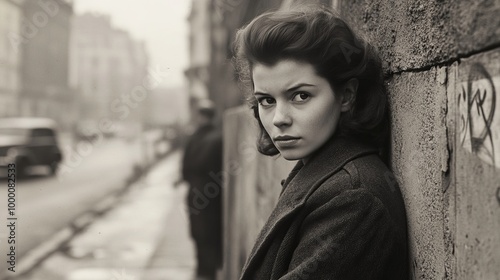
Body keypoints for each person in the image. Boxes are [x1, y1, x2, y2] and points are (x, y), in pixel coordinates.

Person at [233, 5, 409, 280]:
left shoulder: (354, 199)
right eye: (266, 100)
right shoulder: (322, 174)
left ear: (347, 96)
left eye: (300, 96)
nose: (279, 118)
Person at [180, 99, 223, 280]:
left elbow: (186, 166)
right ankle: (207, 271)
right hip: (212, 190)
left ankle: (202, 270)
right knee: (210, 231)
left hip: (196, 189)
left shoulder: (195, 137)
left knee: (199, 231)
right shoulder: (218, 137)